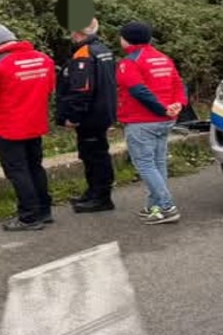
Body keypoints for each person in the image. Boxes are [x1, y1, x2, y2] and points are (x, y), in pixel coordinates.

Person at [0, 23, 57, 232]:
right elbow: (50, 87)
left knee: (17, 171)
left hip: (7, 126)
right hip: (35, 123)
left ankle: (28, 216)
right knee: (35, 167)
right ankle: (44, 210)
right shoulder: (43, 58)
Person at [116, 21, 188, 224]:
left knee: (146, 164)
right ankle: (153, 207)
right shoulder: (163, 58)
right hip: (165, 120)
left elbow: (138, 91)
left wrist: (162, 108)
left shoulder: (128, 62)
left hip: (142, 121)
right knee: (158, 163)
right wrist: (178, 105)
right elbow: (178, 84)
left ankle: (167, 207)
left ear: (126, 39)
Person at [56, 16, 118, 213]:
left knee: (94, 156)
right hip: (103, 111)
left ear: (78, 32)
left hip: (90, 116)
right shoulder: (103, 49)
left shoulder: (84, 54)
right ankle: (94, 193)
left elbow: (82, 91)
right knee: (95, 154)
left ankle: (100, 197)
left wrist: (73, 116)